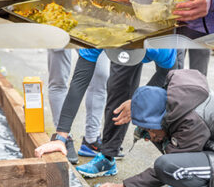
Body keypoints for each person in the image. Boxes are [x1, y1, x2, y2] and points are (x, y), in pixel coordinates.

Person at [35, 49, 177, 179]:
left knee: (172, 98)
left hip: (162, 46)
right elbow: (78, 82)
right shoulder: (95, 38)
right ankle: (107, 156)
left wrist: (138, 102)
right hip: (123, 44)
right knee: (118, 87)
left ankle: (178, 164)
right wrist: (61, 137)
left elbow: (167, 75)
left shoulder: (164, 48)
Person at [47, 49, 110, 164]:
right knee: (59, 79)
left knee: (101, 77)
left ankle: (91, 139)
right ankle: (63, 138)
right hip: (61, 31)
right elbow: (79, 79)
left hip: (95, 32)